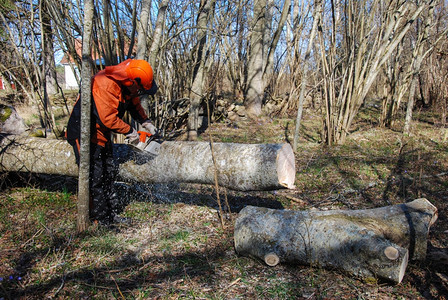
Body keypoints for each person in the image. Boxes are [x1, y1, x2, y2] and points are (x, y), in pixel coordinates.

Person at [66, 59, 158, 226]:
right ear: (133, 82)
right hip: (85, 134)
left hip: (102, 135)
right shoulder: (105, 84)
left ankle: (111, 215)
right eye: (140, 89)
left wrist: (146, 122)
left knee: (108, 173)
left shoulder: (128, 82)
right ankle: (99, 220)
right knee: (95, 178)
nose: (139, 93)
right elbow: (107, 119)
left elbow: (134, 104)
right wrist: (130, 131)